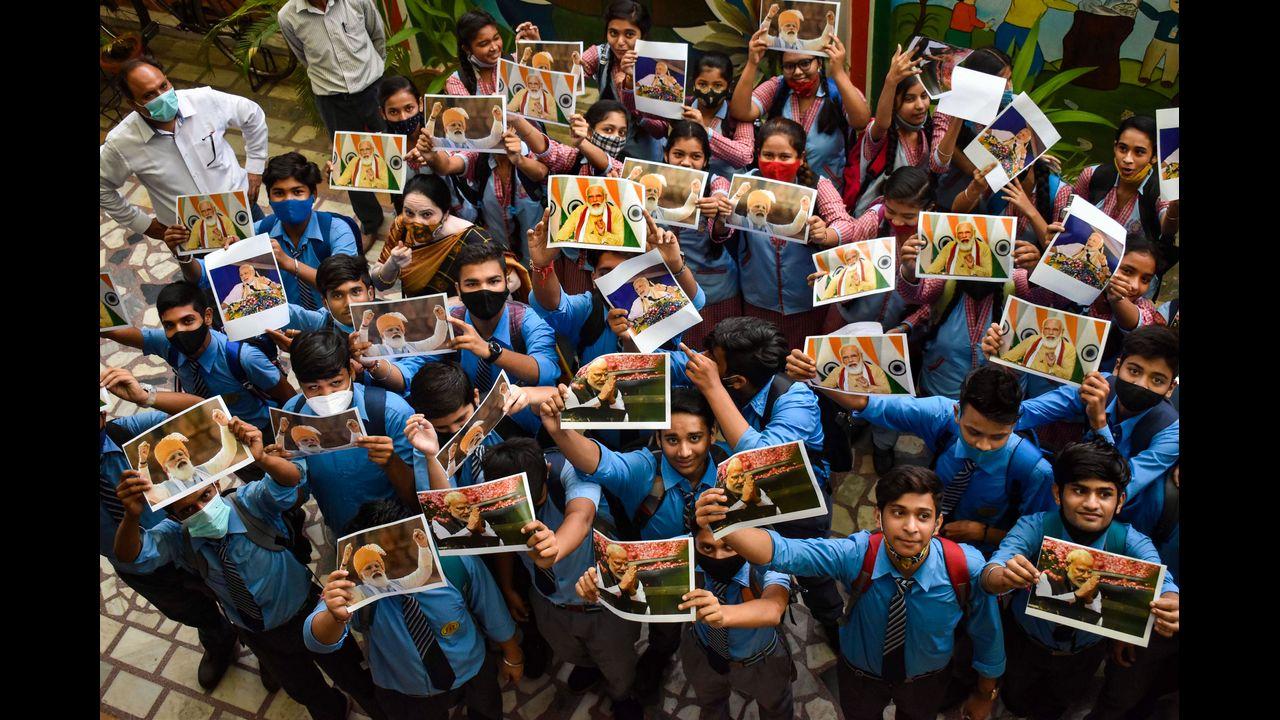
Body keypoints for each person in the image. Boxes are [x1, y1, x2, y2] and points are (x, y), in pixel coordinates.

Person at [114, 417, 384, 720]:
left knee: (352, 672)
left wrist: (262, 458)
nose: (202, 510)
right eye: (188, 509)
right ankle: (332, 710)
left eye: (205, 496)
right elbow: (133, 557)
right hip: (258, 633)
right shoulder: (178, 537)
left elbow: (287, 483)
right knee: (303, 689)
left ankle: (376, 709)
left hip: (309, 609)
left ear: (215, 484)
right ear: (174, 517)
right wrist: (131, 517)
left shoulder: (247, 504)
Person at [699, 466, 1004, 720]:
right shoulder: (857, 553)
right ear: (879, 518)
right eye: (898, 512)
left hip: (927, 680)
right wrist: (724, 524)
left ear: (938, 523)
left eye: (923, 516)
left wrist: (984, 693)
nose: (911, 527)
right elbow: (784, 552)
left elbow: (987, 635)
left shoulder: (965, 566)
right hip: (860, 678)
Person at [672, 317, 845, 647]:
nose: (705, 361)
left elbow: (765, 459)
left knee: (812, 570)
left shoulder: (797, 399)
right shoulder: (723, 376)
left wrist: (711, 388)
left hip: (800, 507)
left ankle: (830, 617)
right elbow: (675, 364)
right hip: (748, 500)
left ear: (735, 381)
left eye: (713, 360)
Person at [981, 438, 1180, 720]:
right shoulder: (1034, 527)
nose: (1091, 503)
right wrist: (1001, 577)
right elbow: (994, 568)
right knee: (1014, 695)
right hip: (1024, 641)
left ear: (1120, 501)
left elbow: (1164, 581)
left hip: (1084, 653)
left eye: (1104, 494)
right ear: (1058, 493)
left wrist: (1172, 601)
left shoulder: (1130, 542)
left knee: (1059, 703)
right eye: (1079, 490)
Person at [788, 361, 1055, 555]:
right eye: (972, 432)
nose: (984, 445)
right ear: (956, 413)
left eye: (998, 437)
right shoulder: (939, 415)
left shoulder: (1034, 470)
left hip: (985, 554)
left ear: (1015, 423)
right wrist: (812, 374)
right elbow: (863, 402)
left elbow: (1041, 539)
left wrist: (985, 534)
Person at [305, 499, 525, 720]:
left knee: (486, 710)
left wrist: (512, 654)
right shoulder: (355, 592)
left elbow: (490, 608)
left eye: (395, 554)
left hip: (472, 670)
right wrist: (333, 615)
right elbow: (316, 639)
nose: (384, 566)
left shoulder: (454, 562)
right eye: (370, 567)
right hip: (404, 690)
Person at [480, 439, 645, 719]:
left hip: (602, 605)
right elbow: (503, 543)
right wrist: (508, 587)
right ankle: (589, 668)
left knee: (618, 665)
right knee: (571, 651)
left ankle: (622, 695)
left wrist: (554, 547)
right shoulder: (493, 490)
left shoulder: (573, 471)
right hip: (548, 602)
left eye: (532, 500)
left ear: (546, 470)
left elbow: (580, 518)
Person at [99, 368, 238, 691]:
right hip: (143, 567)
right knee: (190, 610)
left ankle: (262, 646)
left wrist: (145, 395)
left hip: (197, 535)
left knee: (236, 593)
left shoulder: (126, 437)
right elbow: (125, 550)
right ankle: (219, 638)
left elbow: (205, 411)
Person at [986, 325, 1179, 533]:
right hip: (1072, 492)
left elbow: (1117, 487)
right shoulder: (1098, 385)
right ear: (1117, 367)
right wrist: (1000, 367)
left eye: (1157, 380)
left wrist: (1099, 424)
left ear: (1170, 389)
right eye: (1134, 371)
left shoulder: (1171, 432)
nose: (1142, 384)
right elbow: (1028, 412)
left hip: (1125, 517)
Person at [721, 118, 857, 348]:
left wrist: (826, 234)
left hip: (806, 303)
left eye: (784, 157)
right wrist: (722, 212)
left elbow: (845, 224)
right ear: (757, 154)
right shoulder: (745, 185)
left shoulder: (817, 185)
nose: (775, 163)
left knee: (800, 369)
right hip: (757, 300)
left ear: (801, 157)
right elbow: (725, 227)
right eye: (768, 155)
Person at [100, 57, 268, 243]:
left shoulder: (204, 100)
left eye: (163, 86)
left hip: (243, 210)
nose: (162, 96)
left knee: (270, 268)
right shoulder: (122, 142)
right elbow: (101, 186)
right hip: (189, 235)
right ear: (133, 104)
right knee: (208, 273)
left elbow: (252, 115)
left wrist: (255, 167)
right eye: (149, 95)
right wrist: (142, 224)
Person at [169, 151, 360, 313]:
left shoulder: (336, 230)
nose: (288, 200)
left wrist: (288, 263)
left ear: (313, 195)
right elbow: (203, 276)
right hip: (289, 324)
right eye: (279, 193)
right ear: (268, 199)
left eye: (297, 192)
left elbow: (343, 286)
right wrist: (183, 254)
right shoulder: (260, 231)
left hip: (336, 319)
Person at [100, 281, 294, 434]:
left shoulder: (244, 358)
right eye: (169, 325)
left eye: (188, 320)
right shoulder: (169, 345)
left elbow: (288, 397)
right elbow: (119, 332)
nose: (179, 331)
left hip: (264, 430)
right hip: (220, 433)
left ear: (207, 317)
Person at [528, 201, 707, 367]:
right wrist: (542, 265)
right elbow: (552, 306)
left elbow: (694, 300)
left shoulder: (659, 298)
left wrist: (674, 264)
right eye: (606, 274)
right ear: (593, 278)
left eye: (625, 273)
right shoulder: (588, 309)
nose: (616, 282)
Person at [279, 330, 420, 536]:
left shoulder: (391, 412)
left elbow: (419, 495)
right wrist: (279, 470)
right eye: (313, 387)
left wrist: (392, 462)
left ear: (351, 372)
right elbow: (298, 491)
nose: (327, 395)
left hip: (396, 529)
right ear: (299, 384)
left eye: (336, 383)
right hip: (338, 526)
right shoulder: (293, 413)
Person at [277, 0, 389, 248]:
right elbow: (303, 57)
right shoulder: (288, 17)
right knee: (350, 164)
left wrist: (374, 74)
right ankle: (370, 222)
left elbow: (377, 35)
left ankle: (407, 212)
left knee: (393, 153)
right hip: (331, 97)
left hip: (373, 88)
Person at [730, 25, 869, 195]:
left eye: (805, 63)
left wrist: (838, 72)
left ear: (819, 62)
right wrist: (752, 63)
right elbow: (741, 111)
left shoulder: (837, 92)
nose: (797, 72)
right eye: (789, 66)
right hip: (779, 193)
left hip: (829, 193)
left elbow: (861, 121)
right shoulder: (777, 87)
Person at [1052, 116, 1179, 276]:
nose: (1127, 159)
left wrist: (1175, 207)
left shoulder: (1160, 191)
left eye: (1139, 152)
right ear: (1115, 147)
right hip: (1084, 268)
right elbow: (1071, 221)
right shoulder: (1092, 175)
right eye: (1123, 148)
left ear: (1153, 157)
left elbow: (1167, 229)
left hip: (1128, 283)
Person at [849, 43, 952, 215]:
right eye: (909, 99)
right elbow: (882, 123)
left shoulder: (928, 132)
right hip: (871, 225)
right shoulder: (880, 134)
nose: (920, 105)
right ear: (893, 101)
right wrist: (891, 81)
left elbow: (940, 165)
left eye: (924, 96)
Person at [369, 175, 499, 299]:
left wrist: (460, 301)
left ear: (445, 214)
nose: (417, 222)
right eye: (409, 212)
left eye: (426, 214)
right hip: (417, 312)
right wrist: (392, 263)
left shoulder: (471, 239)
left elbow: (510, 282)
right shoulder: (401, 227)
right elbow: (379, 283)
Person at [576, 0, 670, 161]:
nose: (620, 42)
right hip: (604, 146)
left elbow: (661, 129)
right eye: (613, 33)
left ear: (643, 35)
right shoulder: (600, 54)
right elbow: (568, 81)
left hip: (643, 151)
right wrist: (540, 47)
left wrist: (630, 86)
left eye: (629, 34)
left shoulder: (657, 65)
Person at [136, 408, 240, 504]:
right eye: (172, 458)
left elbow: (229, 451)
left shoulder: (204, 470)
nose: (178, 458)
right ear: (165, 468)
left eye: (180, 454)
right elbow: (149, 492)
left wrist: (224, 425)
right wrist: (143, 463)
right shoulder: (167, 489)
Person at [681, 52, 755, 179]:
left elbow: (745, 156)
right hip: (686, 183)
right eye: (703, 84)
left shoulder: (738, 113)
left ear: (729, 87)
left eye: (717, 85)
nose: (710, 91)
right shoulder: (682, 105)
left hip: (727, 191)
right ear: (693, 83)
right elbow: (658, 128)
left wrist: (705, 131)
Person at [378, 75, 428, 216]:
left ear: (420, 104)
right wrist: (338, 172)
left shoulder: (439, 135)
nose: (403, 117)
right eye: (393, 112)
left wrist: (433, 157)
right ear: (383, 113)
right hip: (407, 216)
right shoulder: (380, 145)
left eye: (409, 108)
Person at [346, 528, 439, 598]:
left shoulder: (397, 585)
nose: (374, 569)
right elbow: (345, 595)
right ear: (361, 576)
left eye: (377, 566)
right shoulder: (360, 593)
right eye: (368, 568)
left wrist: (423, 546)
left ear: (383, 568)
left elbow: (424, 571)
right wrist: (343, 565)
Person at [999, 316, 1079, 382]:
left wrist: (1052, 366)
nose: (1050, 333)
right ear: (1042, 330)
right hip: (1024, 380)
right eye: (1047, 329)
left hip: (1049, 388)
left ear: (1062, 332)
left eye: (1055, 330)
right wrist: (1019, 366)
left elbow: (1067, 377)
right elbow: (1006, 357)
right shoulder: (1033, 339)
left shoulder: (1069, 349)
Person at [356, 306, 450, 357]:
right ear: (382, 336)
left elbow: (437, 339)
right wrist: (364, 325)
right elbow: (365, 349)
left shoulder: (413, 347)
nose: (395, 332)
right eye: (390, 330)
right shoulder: (379, 350)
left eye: (398, 329)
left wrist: (441, 319)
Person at [923, 221, 995, 277]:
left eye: (967, 232)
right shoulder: (950, 246)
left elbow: (988, 274)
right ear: (956, 236)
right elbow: (935, 266)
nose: (964, 236)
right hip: (951, 284)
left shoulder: (984, 248)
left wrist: (973, 267)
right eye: (960, 233)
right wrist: (929, 274)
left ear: (974, 233)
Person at [426, 102, 505, 151]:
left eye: (460, 125)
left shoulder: (471, 144)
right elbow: (428, 138)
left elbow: (493, 140)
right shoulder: (442, 143)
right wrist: (433, 117)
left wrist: (498, 120)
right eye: (453, 124)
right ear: (445, 130)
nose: (457, 127)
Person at [759, 4, 836, 53]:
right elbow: (762, 37)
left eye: (794, 26)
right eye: (788, 25)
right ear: (781, 28)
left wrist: (830, 24)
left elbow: (822, 42)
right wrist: (769, 17)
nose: (791, 28)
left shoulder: (802, 45)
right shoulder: (774, 42)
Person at [819, 342, 892, 394]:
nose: (850, 360)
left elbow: (887, 391)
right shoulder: (837, 371)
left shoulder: (875, 370)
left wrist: (868, 387)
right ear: (842, 360)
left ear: (861, 356)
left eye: (853, 356)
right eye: (845, 357)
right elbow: (823, 388)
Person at [430, 491, 500, 545]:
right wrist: (469, 529)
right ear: (448, 509)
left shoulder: (476, 516)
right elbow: (448, 543)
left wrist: (482, 530)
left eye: (468, 507)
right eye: (460, 508)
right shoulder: (438, 521)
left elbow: (500, 544)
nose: (466, 511)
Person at [1138, 0, 1180, 87]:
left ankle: (1168, 80)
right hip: (1158, 40)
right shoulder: (1168, 14)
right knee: (1151, 57)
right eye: (1177, 2)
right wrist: (1141, 4)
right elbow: (1154, 15)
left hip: (1176, 45)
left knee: (1173, 62)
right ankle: (1145, 75)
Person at [219, 264, 284, 319]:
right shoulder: (239, 287)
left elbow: (279, 291)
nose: (243, 276)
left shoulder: (263, 280)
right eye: (241, 275)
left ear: (253, 272)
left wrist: (269, 283)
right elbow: (226, 304)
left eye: (245, 273)